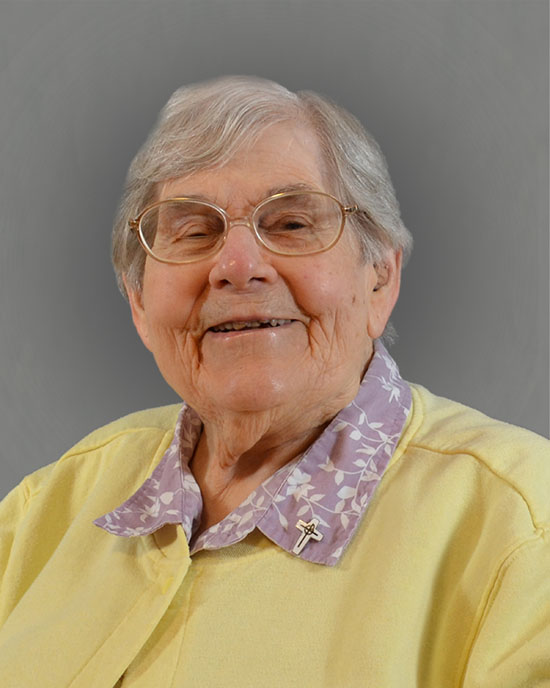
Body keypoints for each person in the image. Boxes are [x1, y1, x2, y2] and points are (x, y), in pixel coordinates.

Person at [0, 76, 548, 688]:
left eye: (290, 224)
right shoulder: (48, 508)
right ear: (138, 302)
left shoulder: (522, 527)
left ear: (380, 279)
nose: (237, 267)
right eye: (194, 232)